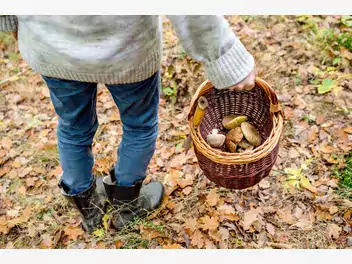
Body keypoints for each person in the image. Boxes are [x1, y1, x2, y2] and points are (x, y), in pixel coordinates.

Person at [0, 15, 256, 233]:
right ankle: (125, 207)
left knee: (72, 127)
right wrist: (224, 55)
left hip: (53, 46)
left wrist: (9, 20)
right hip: (125, 49)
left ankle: (89, 211)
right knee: (139, 126)